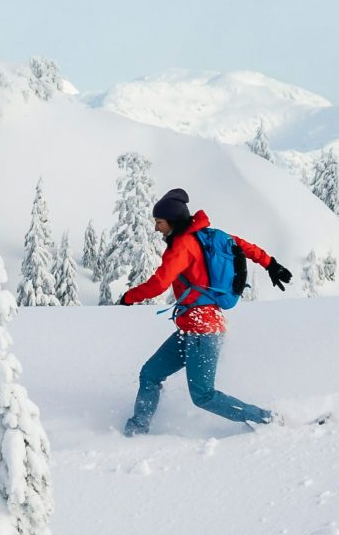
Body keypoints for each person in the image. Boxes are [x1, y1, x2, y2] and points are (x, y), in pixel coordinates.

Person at [118, 186, 294, 435]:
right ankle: (137, 429)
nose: (156, 227)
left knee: (203, 395)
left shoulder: (182, 246)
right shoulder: (208, 236)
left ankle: (268, 420)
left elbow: (159, 284)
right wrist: (271, 264)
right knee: (150, 373)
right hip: (191, 327)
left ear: (172, 220)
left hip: (203, 329)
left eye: (159, 222)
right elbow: (243, 246)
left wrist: (128, 297)